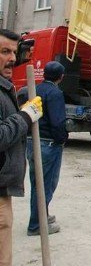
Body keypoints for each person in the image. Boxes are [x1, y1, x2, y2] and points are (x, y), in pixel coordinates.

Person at [0, 29, 43, 266]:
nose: (13, 59)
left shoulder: (4, 87)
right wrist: (25, 116)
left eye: (14, 53)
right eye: (5, 52)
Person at [25, 61, 67, 236]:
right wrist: (62, 139)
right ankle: (36, 225)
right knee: (46, 185)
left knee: (37, 183)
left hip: (32, 141)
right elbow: (57, 122)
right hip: (48, 145)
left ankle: (42, 216)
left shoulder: (35, 90)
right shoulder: (55, 93)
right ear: (61, 77)